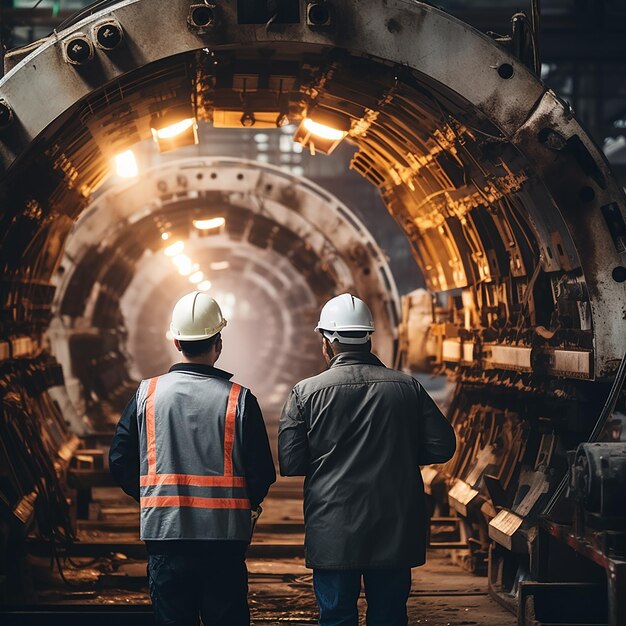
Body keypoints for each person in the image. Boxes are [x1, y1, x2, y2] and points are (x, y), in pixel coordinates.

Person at [278, 293, 456, 626]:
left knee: (336, 615)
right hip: (395, 526)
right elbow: (442, 447)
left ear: (327, 341)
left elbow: (290, 462)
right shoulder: (407, 387)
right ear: (369, 337)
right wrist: (399, 451)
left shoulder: (306, 392)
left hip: (333, 528)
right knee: (389, 615)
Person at [109, 291, 276, 626]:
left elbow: (120, 460)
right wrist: (241, 504)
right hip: (224, 541)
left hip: (165, 537)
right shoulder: (239, 400)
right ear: (219, 342)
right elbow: (261, 474)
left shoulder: (147, 395)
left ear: (176, 342)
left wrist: (153, 497)